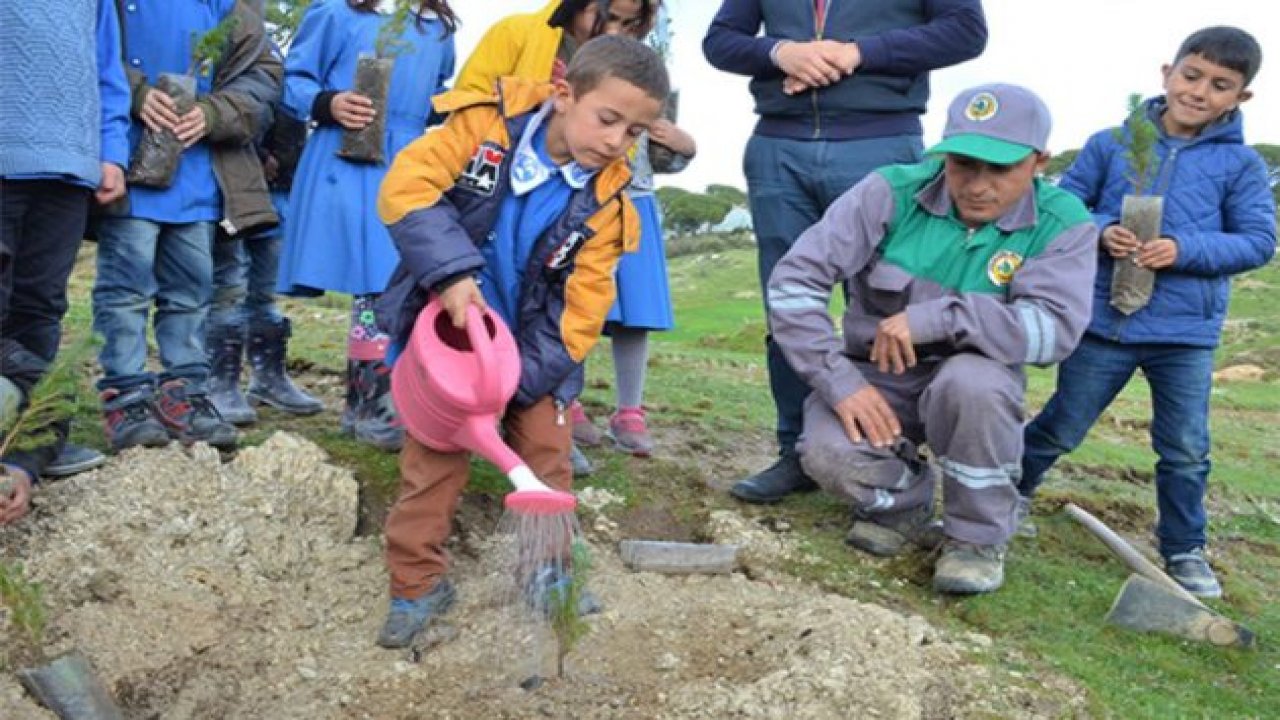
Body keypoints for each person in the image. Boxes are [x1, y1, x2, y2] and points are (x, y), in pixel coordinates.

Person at [373, 35, 668, 647]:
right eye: (607, 119)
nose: (616, 142)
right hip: (449, 345)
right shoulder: (482, 127)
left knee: (546, 455)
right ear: (564, 95)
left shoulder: (611, 207)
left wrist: (516, 383)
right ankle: (416, 584)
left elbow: (582, 313)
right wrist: (451, 273)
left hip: (535, 355)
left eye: (635, 133)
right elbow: (408, 189)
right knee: (432, 463)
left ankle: (548, 574)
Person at [768, 84, 1098, 594]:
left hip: (975, 375)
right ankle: (906, 506)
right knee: (826, 454)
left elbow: (1052, 332)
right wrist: (840, 384)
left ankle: (976, 538)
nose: (977, 186)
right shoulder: (888, 191)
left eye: (1000, 169)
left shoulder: (1064, 224)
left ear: (1038, 162)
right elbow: (793, 285)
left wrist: (941, 319)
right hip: (877, 376)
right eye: (963, 164)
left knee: (972, 384)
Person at [1019, 27, 1275, 599]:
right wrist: (1099, 231)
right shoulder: (1111, 143)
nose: (1200, 92)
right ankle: (1006, 497)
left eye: (1220, 85)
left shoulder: (1242, 166)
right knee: (1062, 423)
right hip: (1103, 323)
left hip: (1184, 335)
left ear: (1240, 98)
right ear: (1167, 73)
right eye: (1192, 75)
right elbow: (1064, 207)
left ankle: (1184, 548)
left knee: (1184, 447)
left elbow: (1259, 240)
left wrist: (1185, 250)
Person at [703, 0, 988, 504]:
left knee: (895, 306)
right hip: (778, 146)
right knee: (785, 303)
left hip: (882, 141)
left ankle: (891, 453)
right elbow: (720, 41)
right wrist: (781, 52)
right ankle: (796, 450)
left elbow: (966, 30)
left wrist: (858, 52)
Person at [454, 0, 695, 460]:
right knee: (537, 297)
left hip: (612, 200)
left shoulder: (638, 68)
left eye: (631, 23)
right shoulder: (518, 35)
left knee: (593, 302)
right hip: (526, 198)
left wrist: (681, 147)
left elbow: (656, 140)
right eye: (608, 16)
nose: (617, 30)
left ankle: (563, 408)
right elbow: (471, 106)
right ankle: (518, 406)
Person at [93, 0, 281, 455]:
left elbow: (263, 75)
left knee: (192, 290)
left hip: (199, 174)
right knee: (126, 288)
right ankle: (126, 394)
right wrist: (136, 94)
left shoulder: (227, 4)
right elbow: (92, 53)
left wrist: (215, 113)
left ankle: (188, 391)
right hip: (130, 162)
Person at [276, 0, 457, 452]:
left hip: (411, 161)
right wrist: (329, 102)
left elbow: (437, 94)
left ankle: (364, 402)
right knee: (378, 278)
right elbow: (293, 81)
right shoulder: (337, 12)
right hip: (350, 155)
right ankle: (376, 398)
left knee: (396, 279)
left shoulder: (439, 28)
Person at [0, 0, 130, 524]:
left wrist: (113, 151)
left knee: (41, 308)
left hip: (67, 168)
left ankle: (26, 451)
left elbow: (107, 67)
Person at [206, 94, 325, 425]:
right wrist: (256, 155)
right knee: (229, 285)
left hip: (279, 188)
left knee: (265, 288)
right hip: (235, 180)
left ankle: (268, 377)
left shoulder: (281, 56)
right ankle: (220, 382)